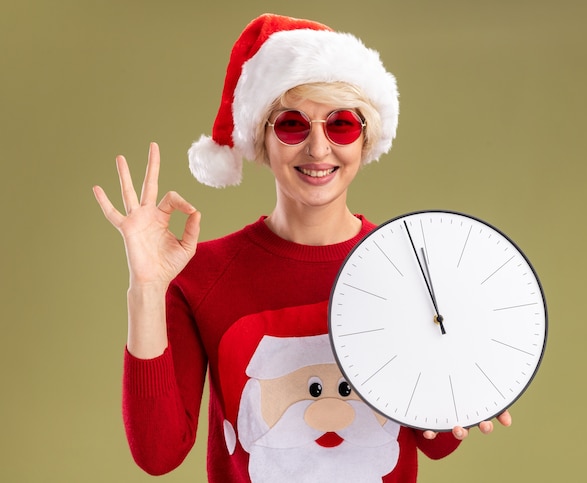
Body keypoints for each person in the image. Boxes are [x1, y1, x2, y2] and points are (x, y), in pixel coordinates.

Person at [93, 13, 512, 482]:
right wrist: (147, 289)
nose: (317, 148)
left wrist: (465, 394)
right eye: (293, 124)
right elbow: (158, 454)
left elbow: (431, 447)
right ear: (262, 139)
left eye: (342, 125)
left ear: (366, 138)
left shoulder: (406, 267)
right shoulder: (202, 274)